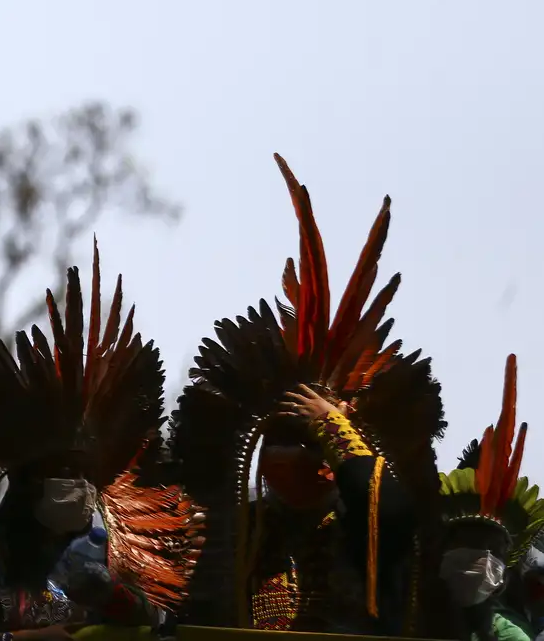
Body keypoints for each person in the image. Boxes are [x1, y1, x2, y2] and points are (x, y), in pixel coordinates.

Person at [170, 155, 445, 634]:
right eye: (283, 438)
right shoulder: (236, 531)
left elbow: (396, 516)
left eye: (310, 441)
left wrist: (334, 426)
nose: (294, 454)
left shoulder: (358, 530)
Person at [0, 241, 205, 641]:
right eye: (62, 470)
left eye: (85, 471)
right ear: (26, 477)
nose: (77, 483)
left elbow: (168, 627)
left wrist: (127, 603)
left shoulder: (115, 553)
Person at [439, 354, 544, 641]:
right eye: (471, 544)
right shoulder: (402, 608)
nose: (482, 559)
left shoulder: (509, 634)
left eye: (494, 550)